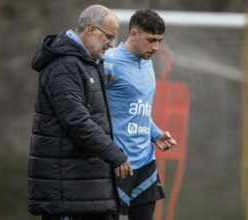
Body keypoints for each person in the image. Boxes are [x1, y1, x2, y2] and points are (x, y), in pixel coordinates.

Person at [28, 5, 133, 220]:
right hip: (68, 193)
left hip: (86, 190)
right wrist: (115, 155)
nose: (111, 44)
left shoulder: (89, 63)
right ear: (92, 30)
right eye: (109, 37)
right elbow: (77, 121)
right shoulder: (64, 66)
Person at [104, 9, 177, 220]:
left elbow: (138, 110)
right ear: (133, 34)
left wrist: (155, 134)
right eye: (151, 40)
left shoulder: (147, 63)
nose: (156, 47)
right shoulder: (109, 63)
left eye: (159, 41)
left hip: (145, 161)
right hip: (117, 163)